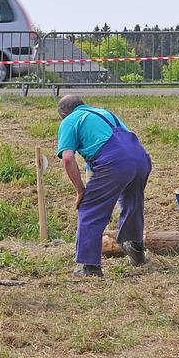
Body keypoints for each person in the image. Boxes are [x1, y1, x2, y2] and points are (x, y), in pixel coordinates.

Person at [56, 95, 152, 277]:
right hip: (141, 158)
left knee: (90, 209)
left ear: (63, 113)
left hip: (114, 161)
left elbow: (68, 158)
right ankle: (135, 246)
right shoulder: (104, 113)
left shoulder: (69, 120)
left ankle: (88, 266)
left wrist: (80, 190)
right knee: (133, 202)